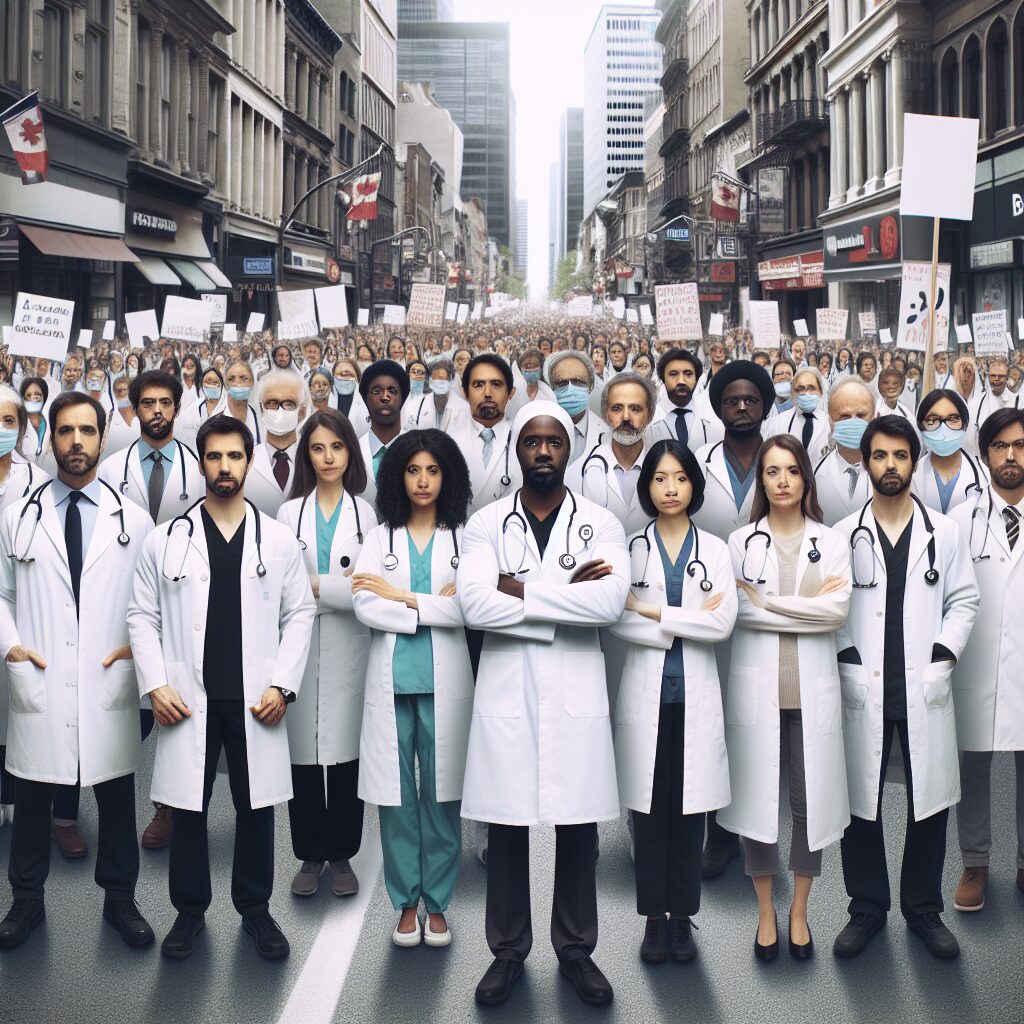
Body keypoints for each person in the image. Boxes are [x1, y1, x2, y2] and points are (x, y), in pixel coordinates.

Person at [127, 414, 315, 961]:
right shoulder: (167, 540)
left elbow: (300, 613)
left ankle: (255, 910)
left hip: (256, 699)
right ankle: (188, 913)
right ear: (201, 462)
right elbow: (142, 616)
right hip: (189, 699)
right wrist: (156, 684)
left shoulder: (277, 540)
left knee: (256, 810)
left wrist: (283, 684)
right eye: (214, 457)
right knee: (189, 808)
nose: (225, 467)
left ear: (248, 462)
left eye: (235, 457)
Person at [459, 402, 628, 1008]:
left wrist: (519, 590)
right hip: (507, 693)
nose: (543, 452)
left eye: (554, 442)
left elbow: (608, 605)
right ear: (517, 449)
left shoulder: (602, 523)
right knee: (506, 828)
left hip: (575, 694)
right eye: (532, 441)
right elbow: (474, 608)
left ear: (569, 449)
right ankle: (506, 952)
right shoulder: (484, 524)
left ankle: (577, 951)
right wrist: (562, 598)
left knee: (578, 830)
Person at [0, 391, 154, 950]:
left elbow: (150, 599)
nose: (76, 443)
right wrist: (12, 647)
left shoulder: (132, 521)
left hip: (108, 677)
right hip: (40, 674)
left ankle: (121, 900)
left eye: (86, 432)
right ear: (51, 438)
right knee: (35, 792)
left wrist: (139, 650)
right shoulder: (19, 516)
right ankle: (25, 902)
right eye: (65, 432)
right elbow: (1, 593)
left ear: (102, 434)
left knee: (115, 794)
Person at [832, 416, 979, 960]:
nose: (889, 466)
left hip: (923, 686)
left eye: (899, 456)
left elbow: (964, 600)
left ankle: (923, 909)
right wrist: (846, 653)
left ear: (913, 462)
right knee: (859, 804)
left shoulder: (945, 531)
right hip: (864, 687)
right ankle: (866, 907)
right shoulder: (842, 535)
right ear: (865, 462)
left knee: (929, 803)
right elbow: (834, 609)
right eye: (879, 456)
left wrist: (943, 655)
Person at [720, 436, 851, 963]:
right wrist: (804, 607)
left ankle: (798, 909)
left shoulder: (832, 540)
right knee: (757, 804)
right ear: (763, 482)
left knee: (807, 804)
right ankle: (765, 910)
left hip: (810, 692)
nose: (781, 480)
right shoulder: (739, 542)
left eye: (791, 471)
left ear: (805, 479)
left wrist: (767, 601)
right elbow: (738, 615)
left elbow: (838, 612)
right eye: (771, 471)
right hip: (758, 691)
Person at [612, 440, 737, 965]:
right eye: (660, 479)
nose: (670, 488)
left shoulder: (715, 549)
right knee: (649, 812)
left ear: (694, 486)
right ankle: (652, 921)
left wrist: (652, 612)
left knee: (688, 815)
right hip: (647, 701)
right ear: (647, 487)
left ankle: (682, 918)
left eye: (680, 479)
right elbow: (615, 618)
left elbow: (722, 623)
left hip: (694, 698)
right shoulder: (628, 548)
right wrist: (685, 619)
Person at [352, 429, 473, 948]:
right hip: (393, 684)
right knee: (397, 801)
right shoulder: (380, 538)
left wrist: (400, 596)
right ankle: (405, 904)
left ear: (448, 476)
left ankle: (439, 904)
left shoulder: (466, 538)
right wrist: (432, 605)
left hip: (445, 686)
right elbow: (364, 604)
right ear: (397, 476)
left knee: (442, 798)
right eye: (412, 470)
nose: (423, 481)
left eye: (433, 470)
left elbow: (470, 607)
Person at [277, 410, 375, 899]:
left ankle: (342, 854)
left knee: (344, 755)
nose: (328, 457)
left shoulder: (366, 515)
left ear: (349, 453)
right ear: (306, 454)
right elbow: (280, 589)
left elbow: (367, 590)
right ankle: (309, 855)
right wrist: (326, 590)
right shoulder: (287, 513)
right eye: (318, 448)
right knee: (301, 758)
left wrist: (314, 585)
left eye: (336, 447)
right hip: (297, 644)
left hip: (349, 645)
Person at [948, 407, 1024, 911]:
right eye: (1001, 446)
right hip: (974, 664)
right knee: (971, 766)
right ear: (986, 453)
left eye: (1020, 446)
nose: (1012, 456)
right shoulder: (961, 519)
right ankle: (975, 862)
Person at [0, 386, 50, 835]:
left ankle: (14, 794)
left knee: (17, 709)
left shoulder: (35, 482)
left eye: (7, 421)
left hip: (18, 604)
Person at [567, 371, 657, 539]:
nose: (625, 417)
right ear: (605, 414)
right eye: (617, 408)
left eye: (635, 408)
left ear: (650, 415)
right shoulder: (583, 469)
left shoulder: (661, 465)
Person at [450, 354, 522, 517]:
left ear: (511, 393)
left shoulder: (523, 440)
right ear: (465, 393)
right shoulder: (450, 442)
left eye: (496, 384)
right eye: (478, 385)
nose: (488, 393)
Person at [244, 370, 310, 517]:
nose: (279, 410)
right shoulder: (245, 461)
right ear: (261, 410)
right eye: (271, 403)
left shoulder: (314, 460)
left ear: (302, 412)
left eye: (289, 404)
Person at [912, 389, 989, 515]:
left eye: (952, 419)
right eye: (932, 420)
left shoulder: (984, 477)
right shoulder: (912, 477)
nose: (943, 429)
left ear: (964, 424)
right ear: (921, 426)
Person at [812, 378, 876, 527]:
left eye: (861, 415)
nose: (854, 422)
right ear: (831, 422)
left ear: (874, 418)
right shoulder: (813, 474)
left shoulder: (891, 472)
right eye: (845, 416)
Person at [356, 360, 410, 508]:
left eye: (392, 391)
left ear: (402, 399)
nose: (385, 397)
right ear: (366, 399)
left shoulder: (417, 450)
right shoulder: (352, 452)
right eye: (376, 391)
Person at [647, 349, 723, 452]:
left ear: (696, 379)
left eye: (688, 374)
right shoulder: (649, 421)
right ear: (663, 379)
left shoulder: (714, 423)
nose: (681, 381)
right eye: (673, 374)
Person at [545, 350, 609, 464]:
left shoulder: (606, 434)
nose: (570, 389)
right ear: (551, 388)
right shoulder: (540, 429)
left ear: (590, 386)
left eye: (577, 381)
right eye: (561, 383)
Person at [765, 367, 830, 458]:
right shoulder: (776, 423)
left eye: (811, 388)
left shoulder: (829, 424)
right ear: (792, 393)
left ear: (821, 391)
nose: (806, 393)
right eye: (800, 389)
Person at [401, 357, 469, 432]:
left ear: (450, 380)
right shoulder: (416, 405)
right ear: (429, 380)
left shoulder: (463, 408)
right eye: (435, 379)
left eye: (442, 378)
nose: (438, 382)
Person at [328, 358, 370, 438]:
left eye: (348, 374)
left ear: (357, 377)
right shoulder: (326, 400)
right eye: (340, 374)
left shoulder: (369, 400)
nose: (344, 372)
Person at [18, 377, 51, 464]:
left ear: (44, 398)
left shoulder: (47, 424)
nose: (33, 399)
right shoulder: (17, 422)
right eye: (29, 395)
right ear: (23, 398)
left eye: (37, 395)